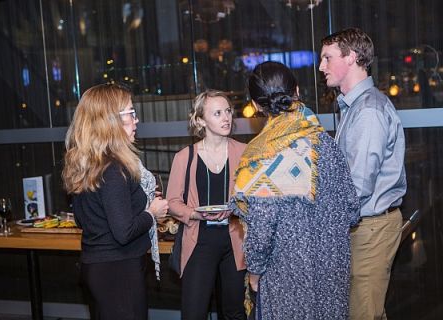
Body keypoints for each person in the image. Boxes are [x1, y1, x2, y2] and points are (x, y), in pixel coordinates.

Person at [230, 61, 360, 319]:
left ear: (256, 105)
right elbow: (352, 208)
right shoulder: (326, 143)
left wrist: (254, 272)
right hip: (331, 270)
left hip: (285, 277)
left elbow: (261, 230)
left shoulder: (262, 156)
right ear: (297, 91)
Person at [319, 28, 407, 320]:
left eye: (327, 58)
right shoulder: (355, 107)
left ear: (352, 57)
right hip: (363, 226)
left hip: (370, 228)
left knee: (363, 314)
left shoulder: (368, 110)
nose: (322, 67)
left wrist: (321, 220)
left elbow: (357, 187)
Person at [62, 83, 169, 320]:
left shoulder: (88, 163)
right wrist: (152, 212)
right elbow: (124, 231)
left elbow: (82, 219)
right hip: (118, 271)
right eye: (130, 113)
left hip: (97, 267)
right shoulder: (114, 170)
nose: (136, 120)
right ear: (109, 121)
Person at [166, 89, 247, 320]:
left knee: (235, 312)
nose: (226, 118)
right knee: (194, 311)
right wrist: (194, 214)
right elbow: (172, 202)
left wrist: (239, 207)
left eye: (228, 111)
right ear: (201, 120)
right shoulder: (185, 157)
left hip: (235, 241)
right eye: (217, 113)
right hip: (199, 240)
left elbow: (255, 195)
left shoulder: (244, 152)